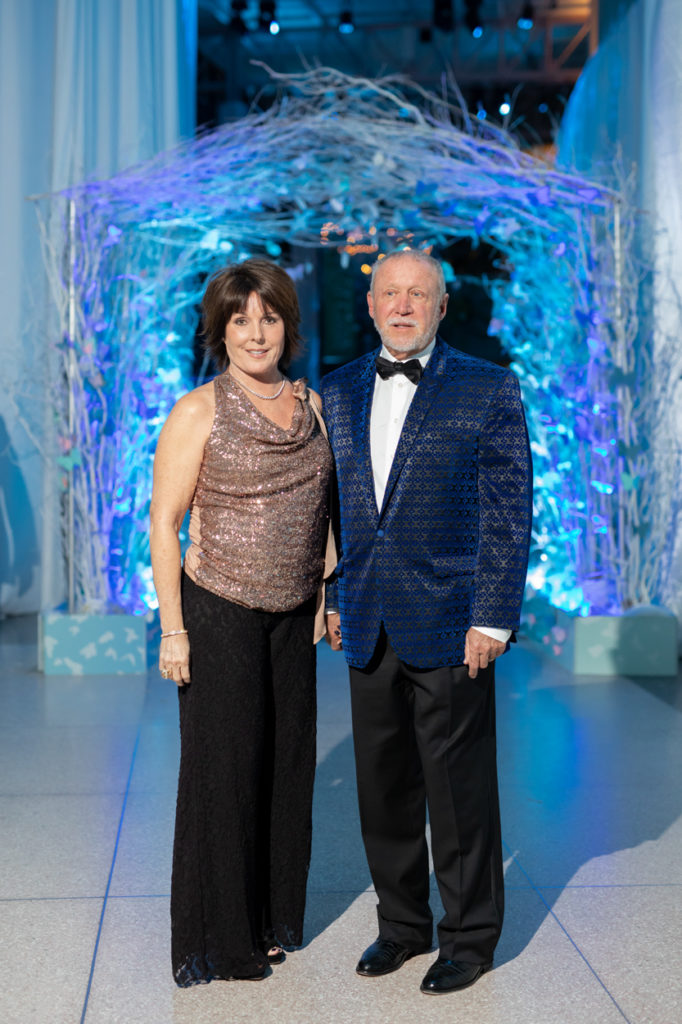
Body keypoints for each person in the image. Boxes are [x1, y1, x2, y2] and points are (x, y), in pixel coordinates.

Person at [321, 249, 532, 996]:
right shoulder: (338, 390)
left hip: (453, 622)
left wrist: (495, 617)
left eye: (420, 294)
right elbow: (337, 511)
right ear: (370, 303)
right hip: (369, 617)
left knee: (459, 789)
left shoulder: (489, 386)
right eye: (391, 293)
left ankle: (470, 939)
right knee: (383, 789)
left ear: (443, 306)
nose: (404, 305)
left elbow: (509, 515)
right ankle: (401, 925)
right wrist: (335, 594)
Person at [150, 258, 334, 986]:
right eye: (239, 320)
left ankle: (268, 918)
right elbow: (165, 523)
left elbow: (322, 508)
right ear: (219, 331)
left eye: (269, 317)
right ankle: (221, 941)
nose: (256, 332)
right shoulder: (200, 410)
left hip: (293, 618)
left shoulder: (313, 406)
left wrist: (325, 590)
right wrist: (173, 628)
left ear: (288, 325)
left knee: (286, 769)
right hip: (218, 607)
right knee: (224, 776)